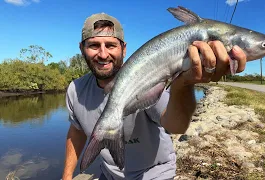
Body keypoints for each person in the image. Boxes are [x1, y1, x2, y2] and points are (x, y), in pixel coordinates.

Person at [62, 12, 247, 180]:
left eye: (111, 45)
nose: (103, 54)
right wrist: (67, 176)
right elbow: (77, 131)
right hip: (108, 175)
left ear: (123, 49)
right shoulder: (75, 89)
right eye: (94, 45)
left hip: (154, 175)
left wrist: (183, 83)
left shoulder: (146, 76)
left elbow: (177, 126)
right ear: (82, 48)